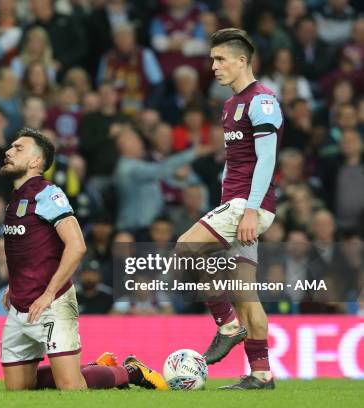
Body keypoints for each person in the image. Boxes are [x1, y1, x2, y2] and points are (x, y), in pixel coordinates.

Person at [0, 127, 166, 391]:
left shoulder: (47, 194)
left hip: (52, 304)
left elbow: (77, 246)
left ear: (35, 162)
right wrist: (13, 285)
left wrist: (48, 293)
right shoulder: (15, 199)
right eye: (11, 146)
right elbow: (26, 252)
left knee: (72, 388)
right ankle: (92, 368)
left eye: (18, 148)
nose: (8, 151)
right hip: (20, 307)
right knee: (19, 391)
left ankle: (129, 372)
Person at [175, 28, 282, 390]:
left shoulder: (262, 99)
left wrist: (249, 210)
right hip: (235, 205)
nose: (214, 66)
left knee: (186, 248)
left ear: (241, 60)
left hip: (248, 206)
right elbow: (234, 163)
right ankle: (261, 374)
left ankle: (227, 324)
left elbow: (267, 160)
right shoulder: (229, 105)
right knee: (245, 294)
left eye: (220, 59)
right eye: (211, 59)